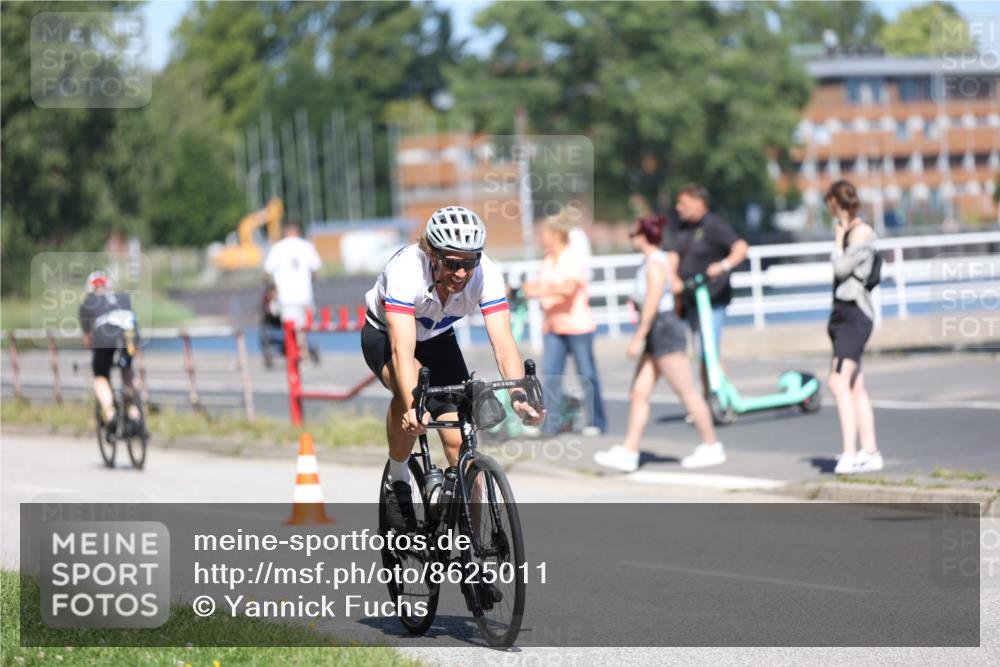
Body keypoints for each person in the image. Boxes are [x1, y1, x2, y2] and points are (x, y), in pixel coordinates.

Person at [361, 206, 544, 532]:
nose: (461, 273)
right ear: (431, 253)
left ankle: (472, 546)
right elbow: (403, 351)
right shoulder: (406, 270)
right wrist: (415, 405)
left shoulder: (487, 273)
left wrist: (518, 393)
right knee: (414, 391)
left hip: (437, 338)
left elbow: (503, 340)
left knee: (461, 442)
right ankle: (398, 479)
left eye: (469, 263)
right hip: (387, 335)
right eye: (452, 263)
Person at [593, 215, 723, 472]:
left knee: (687, 392)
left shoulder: (655, 264)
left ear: (644, 237)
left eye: (634, 234)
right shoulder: (652, 262)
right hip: (658, 331)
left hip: (662, 330)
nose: (632, 239)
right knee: (639, 392)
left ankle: (711, 445)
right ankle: (630, 451)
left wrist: (637, 339)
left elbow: (652, 305)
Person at [522, 215, 607, 436]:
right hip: (553, 326)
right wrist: (519, 289)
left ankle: (597, 422)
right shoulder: (549, 259)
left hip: (577, 326)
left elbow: (569, 288)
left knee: (587, 374)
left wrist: (539, 291)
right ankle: (549, 426)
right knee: (551, 376)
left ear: (557, 235)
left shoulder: (571, 257)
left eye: (545, 234)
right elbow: (539, 284)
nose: (541, 238)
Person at [670, 185, 749, 398]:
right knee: (700, 351)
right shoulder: (681, 228)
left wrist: (723, 266)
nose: (679, 208)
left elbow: (740, 247)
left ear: (698, 203)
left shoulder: (714, 225)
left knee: (709, 348)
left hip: (712, 298)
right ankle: (709, 395)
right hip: (691, 300)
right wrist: (674, 279)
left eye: (683, 203)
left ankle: (720, 395)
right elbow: (673, 255)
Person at [825, 180, 882, 474]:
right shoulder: (849, 231)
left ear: (835, 202)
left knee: (838, 382)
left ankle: (850, 453)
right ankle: (870, 451)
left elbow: (840, 268)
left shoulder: (861, 232)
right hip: (842, 314)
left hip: (856, 315)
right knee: (855, 384)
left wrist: (837, 240)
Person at [78, 270, 140, 439]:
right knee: (127, 367)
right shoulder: (123, 297)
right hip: (130, 335)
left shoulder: (87, 303)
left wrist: (93, 353)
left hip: (104, 339)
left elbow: (88, 338)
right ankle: (134, 412)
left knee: (100, 376)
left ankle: (110, 413)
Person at [263, 222, 322, 361]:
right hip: (305, 295)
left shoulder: (277, 248)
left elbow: (266, 273)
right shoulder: (306, 246)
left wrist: (272, 291)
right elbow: (316, 270)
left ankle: (297, 355)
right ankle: (302, 352)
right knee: (302, 327)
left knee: (291, 328)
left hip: (286, 297)